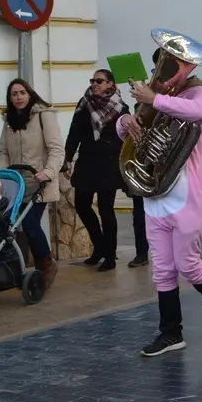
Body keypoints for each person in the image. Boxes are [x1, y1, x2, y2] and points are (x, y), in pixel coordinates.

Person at [117, 35, 202, 357]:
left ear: (188, 67)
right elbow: (126, 132)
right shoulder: (156, 98)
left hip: (186, 196)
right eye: (161, 66)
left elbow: (198, 110)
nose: (165, 73)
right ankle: (171, 333)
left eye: (172, 66)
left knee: (188, 264)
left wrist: (154, 99)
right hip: (155, 195)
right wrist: (126, 121)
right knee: (163, 269)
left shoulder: (199, 93)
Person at [0, 78, 64, 289]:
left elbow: (56, 149)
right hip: (17, 184)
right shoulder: (9, 120)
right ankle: (21, 269)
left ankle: (47, 264)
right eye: (14, 94)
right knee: (12, 226)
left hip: (39, 181)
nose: (18, 97)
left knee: (30, 224)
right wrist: (3, 174)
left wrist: (48, 172)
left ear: (30, 94)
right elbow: (3, 151)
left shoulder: (44, 116)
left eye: (22, 93)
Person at [63, 69, 130, 271]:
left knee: (106, 210)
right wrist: (67, 158)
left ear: (110, 83)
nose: (94, 84)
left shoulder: (121, 107)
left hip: (108, 164)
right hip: (87, 161)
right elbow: (74, 132)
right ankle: (99, 246)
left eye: (99, 81)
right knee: (82, 204)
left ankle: (109, 256)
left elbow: (125, 137)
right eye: (93, 80)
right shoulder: (84, 104)